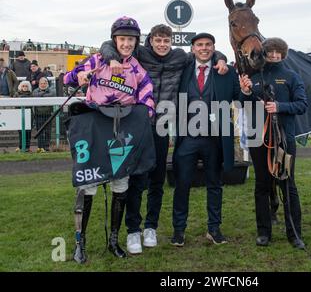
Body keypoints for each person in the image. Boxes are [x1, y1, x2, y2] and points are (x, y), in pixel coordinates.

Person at [99, 24, 228, 253]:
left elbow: (204, 53)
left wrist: (220, 57)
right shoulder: (140, 53)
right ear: (150, 41)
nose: (162, 45)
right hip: (136, 123)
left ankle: (151, 226)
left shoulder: (180, 57)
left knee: (157, 179)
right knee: (137, 180)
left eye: (166, 41)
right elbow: (110, 45)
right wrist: (110, 58)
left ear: (171, 42)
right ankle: (133, 229)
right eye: (157, 41)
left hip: (162, 125)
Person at [64, 16, 155, 263]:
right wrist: (79, 77)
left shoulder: (138, 68)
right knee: (89, 185)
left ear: (136, 41)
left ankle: (114, 240)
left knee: (120, 184)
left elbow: (148, 99)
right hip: (95, 129)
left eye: (131, 39)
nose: (126, 43)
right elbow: (67, 78)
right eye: (122, 39)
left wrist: (145, 113)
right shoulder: (97, 60)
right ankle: (79, 242)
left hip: (121, 131)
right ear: (115, 39)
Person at [171, 32, 240, 247]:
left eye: (208, 45)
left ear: (213, 47)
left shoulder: (226, 72)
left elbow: (240, 97)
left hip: (214, 140)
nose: (204, 48)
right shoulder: (183, 70)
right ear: (193, 49)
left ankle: (214, 229)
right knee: (182, 184)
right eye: (199, 45)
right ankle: (179, 230)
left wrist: (246, 89)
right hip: (188, 137)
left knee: (215, 184)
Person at [239, 37, 308, 249]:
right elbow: (245, 105)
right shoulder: (253, 76)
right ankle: (263, 232)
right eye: (271, 51)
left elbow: (301, 104)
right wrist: (246, 92)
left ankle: (294, 232)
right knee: (262, 185)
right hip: (259, 140)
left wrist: (279, 106)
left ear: (284, 54)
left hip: (283, 140)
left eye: (279, 52)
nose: (275, 55)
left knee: (287, 185)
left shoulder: (292, 76)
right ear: (264, 53)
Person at [32, 77, 56, 152]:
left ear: (47, 84)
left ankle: (46, 146)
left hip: (48, 114)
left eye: (44, 83)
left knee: (48, 131)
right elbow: (35, 95)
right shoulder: (35, 91)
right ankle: (40, 147)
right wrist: (44, 93)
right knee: (40, 131)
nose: (43, 85)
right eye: (41, 83)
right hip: (38, 114)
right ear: (39, 84)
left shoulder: (52, 90)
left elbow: (52, 95)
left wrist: (41, 95)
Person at [14, 81, 33, 152]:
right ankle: (21, 146)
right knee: (20, 132)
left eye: (26, 86)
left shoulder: (31, 94)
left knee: (28, 131)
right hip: (19, 115)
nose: (24, 87)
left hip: (29, 115)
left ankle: (28, 147)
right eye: (23, 86)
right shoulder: (16, 94)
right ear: (20, 87)